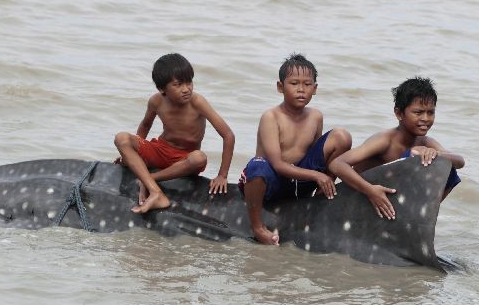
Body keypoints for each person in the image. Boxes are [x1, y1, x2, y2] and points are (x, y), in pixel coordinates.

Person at [239, 53, 352, 245]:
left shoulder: (315, 116)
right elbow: (277, 164)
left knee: (342, 136)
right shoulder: (271, 117)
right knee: (256, 165)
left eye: (307, 84)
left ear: (315, 89)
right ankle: (257, 226)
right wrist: (317, 176)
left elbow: (318, 155)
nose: (301, 90)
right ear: (280, 87)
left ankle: (322, 195)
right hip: (272, 179)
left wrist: (324, 176)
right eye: (294, 83)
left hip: (300, 181)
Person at [114, 53, 235, 214]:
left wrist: (222, 175)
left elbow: (228, 135)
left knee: (199, 158)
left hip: (184, 159)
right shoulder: (156, 101)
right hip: (161, 149)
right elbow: (145, 125)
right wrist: (135, 153)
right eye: (178, 85)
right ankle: (156, 192)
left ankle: (148, 180)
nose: (186, 89)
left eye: (189, 82)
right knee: (121, 138)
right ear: (162, 88)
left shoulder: (197, 102)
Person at [329, 77, 464, 219]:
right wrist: (370, 190)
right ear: (399, 113)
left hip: (391, 200)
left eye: (430, 112)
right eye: (418, 112)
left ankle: (420, 215)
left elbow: (460, 162)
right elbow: (337, 164)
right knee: (411, 156)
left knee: (447, 168)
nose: (425, 118)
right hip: (363, 197)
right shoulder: (384, 140)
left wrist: (435, 153)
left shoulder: (426, 142)